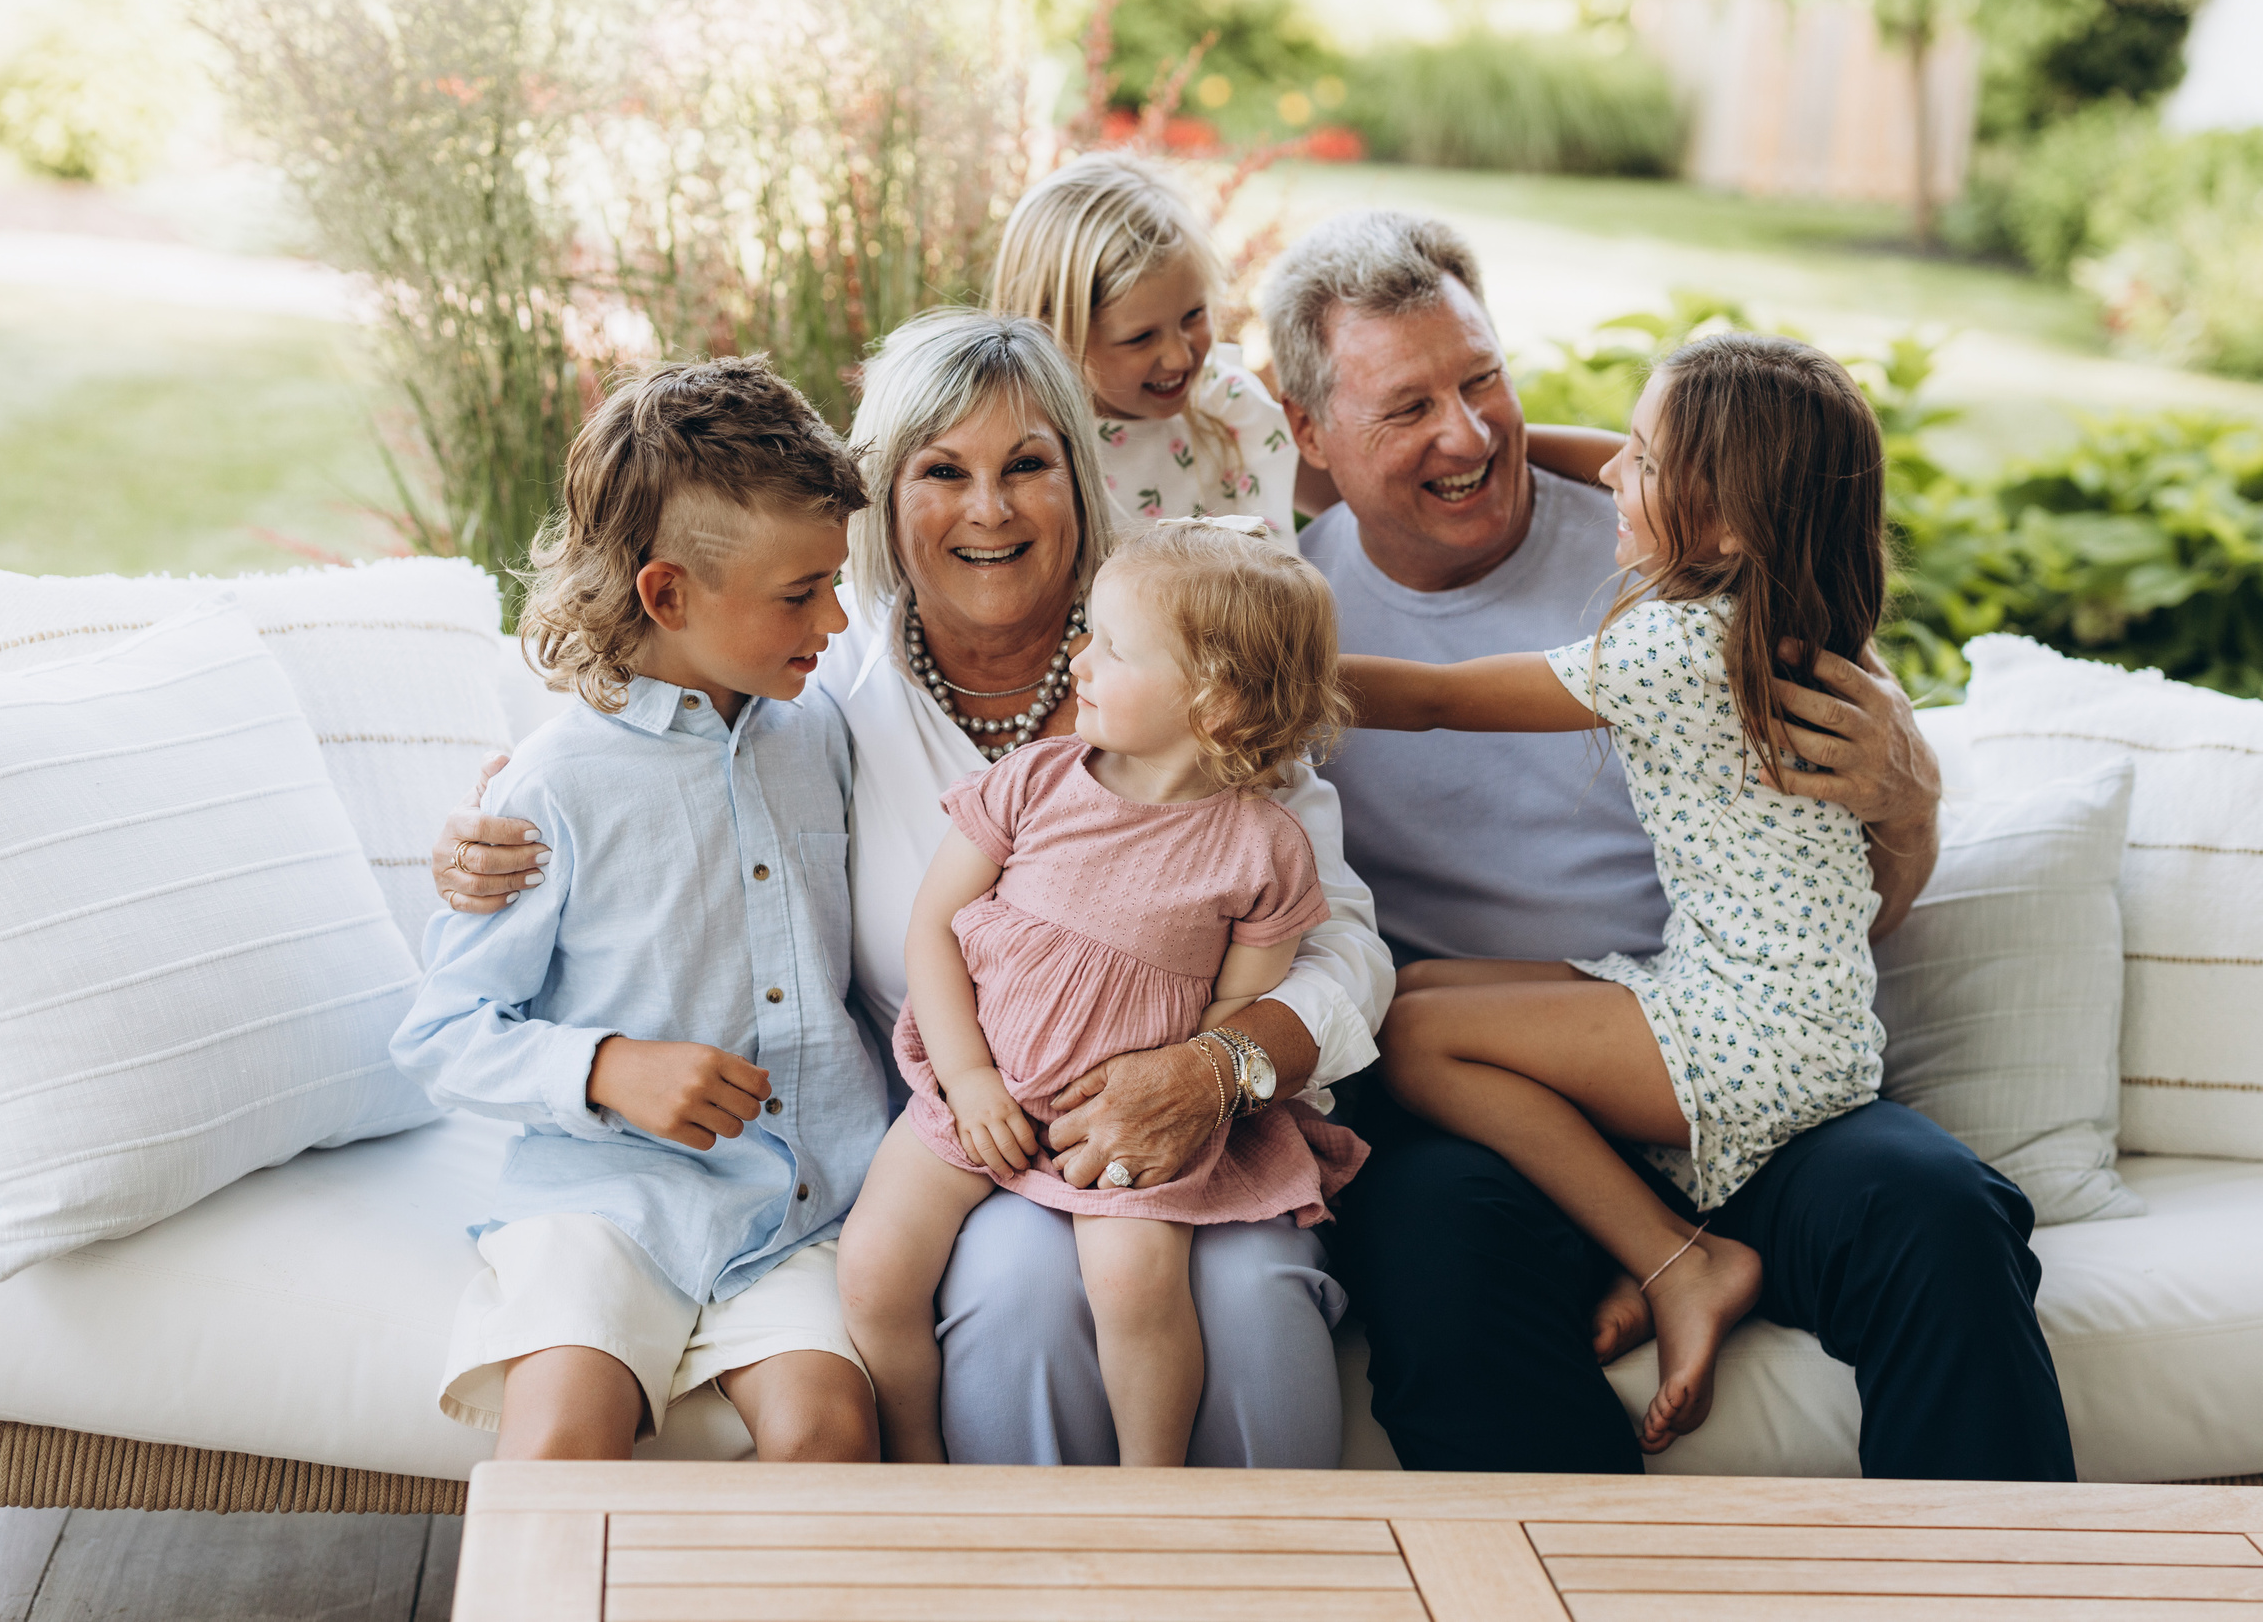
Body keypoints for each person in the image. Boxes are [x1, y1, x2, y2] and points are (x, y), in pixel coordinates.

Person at [431, 310, 1392, 1467]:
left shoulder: (1198, 670)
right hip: (959, 1128)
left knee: (1247, 1297)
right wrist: (493, 824)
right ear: (886, 502)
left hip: (1184, 1127)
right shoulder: (821, 681)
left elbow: (1341, 947)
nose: (987, 510)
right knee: (1015, 1299)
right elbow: (660, 723)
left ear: (1081, 484)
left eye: (1027, 466)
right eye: (943, 472)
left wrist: (1216, 1066)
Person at [1266, 209, 2075, 1480]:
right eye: (1406, 407)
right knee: (1434, 1252)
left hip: (1724, 1067)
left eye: (1484, 380)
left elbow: (1841, 888)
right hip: (1494, 1112)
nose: (1470, 434)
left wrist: (1909, 805)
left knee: (1940, 1213)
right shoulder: (1290, 603)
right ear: (1305, 432)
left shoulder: (1681, 553)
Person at [1344, 332, 1893, 1454]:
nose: (1605, 476)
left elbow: (1440, 700)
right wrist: (1519, 438)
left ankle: (1679, 1257)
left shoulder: (1678, 652)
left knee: (1415, 1045)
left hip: (1756, 1033)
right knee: (1422, 986)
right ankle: (1639, 1246)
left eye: (1639, 460)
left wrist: (1237, 654)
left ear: (1726, 517)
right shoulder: (1781, 614)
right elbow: (1655, 468)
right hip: (1775, 1005)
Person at [391, 357, 888, 1463]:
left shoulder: (821, 733)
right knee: (563, 1433)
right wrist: (610, 1067)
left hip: (799, 1202)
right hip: (604, 1201)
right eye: (800, 594)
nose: (835, 616)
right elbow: (443, 1034)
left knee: (828, 1436)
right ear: (669, 595)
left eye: (835, 582)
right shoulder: (548, 786)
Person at [839, 521, 1366, 1465]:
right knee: (876, 1272)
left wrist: (1164, 1094)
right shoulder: (1035, 781)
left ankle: (1147, 1484)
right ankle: (917, 1465)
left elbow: (1237, 1008)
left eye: (1113, 647)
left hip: (1125, 1128)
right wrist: (966, 1079)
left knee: (1136, 1294)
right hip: (980, 1094)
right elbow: (934, 927)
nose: (1080, 658)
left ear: (1218, 702)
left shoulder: (1264, 845)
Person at [991, 154, 1300, 544]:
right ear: (1053, 331)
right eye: (1140, 338)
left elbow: (1281, 563)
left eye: (1193, 315)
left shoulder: (1228, 406)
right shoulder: (1024, 442)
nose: (1180, 357)